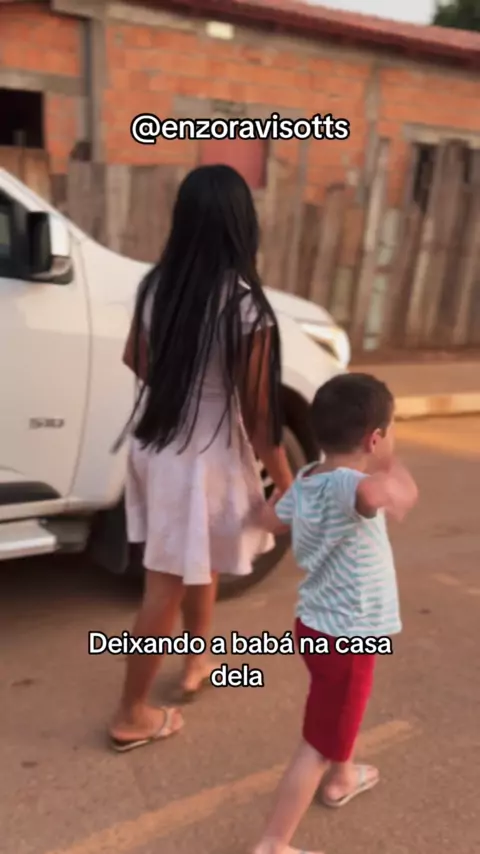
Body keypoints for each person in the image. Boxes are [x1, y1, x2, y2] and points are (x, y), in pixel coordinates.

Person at [108, 164, 294, 752]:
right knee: (165, 585)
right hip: (203, 456)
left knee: (202, 554)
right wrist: (285, 481)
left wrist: (180, 386)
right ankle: (130, 714)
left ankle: (197, 660)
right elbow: (259, 413)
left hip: (159, 444)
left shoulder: (156, 287)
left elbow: (134, 357)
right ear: (242, 224)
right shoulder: (245, 307)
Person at [251, 373, 418, 854]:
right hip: (348, 636)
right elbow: (375, 496)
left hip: (316, 625)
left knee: (339, 711)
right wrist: (392, 477)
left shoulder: (307, 478)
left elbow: (269, 522)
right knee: (318, 743)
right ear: (374, 439)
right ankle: (273, 843)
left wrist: (271, 504)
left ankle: (343, 776)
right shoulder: (353, 486)